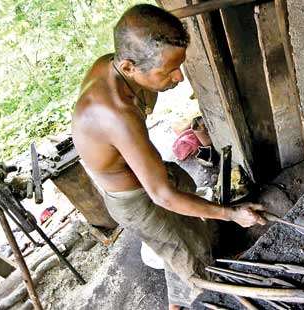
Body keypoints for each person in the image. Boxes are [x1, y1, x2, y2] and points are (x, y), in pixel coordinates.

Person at [71, 4, 266, 308]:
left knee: (186, 226)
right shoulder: (115, 113)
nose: (179, 79)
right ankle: (197, 297)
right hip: (134, 201)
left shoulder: (115, 65)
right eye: (168, 71)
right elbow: (162, 196)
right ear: (129, 67)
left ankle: (183, 287)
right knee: (189, 256)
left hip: (145, 172)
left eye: (180, 66)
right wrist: (232, 214)